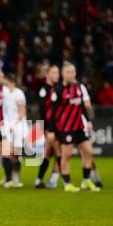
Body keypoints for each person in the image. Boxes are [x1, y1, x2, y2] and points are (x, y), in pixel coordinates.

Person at [50, 62, 100, 192]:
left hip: (79, 126)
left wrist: (88, 121)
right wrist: (50, 130)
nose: (71, 74)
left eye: (72, 72)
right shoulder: (58, 90)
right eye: (68, 72)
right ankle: (67, 183)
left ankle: (86, 181)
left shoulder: (78, 87)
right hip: (66, 128)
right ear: (63, 74)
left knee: (88, 151)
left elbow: (82, 106)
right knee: (66, 155)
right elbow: (53, 112)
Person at [34, 65, 62, 189]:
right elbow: (42, 111)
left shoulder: (58, 88)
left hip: (59, 124)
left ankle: (41, 179)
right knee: (59, 152)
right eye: (54, 72)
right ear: (48, 74)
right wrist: (47, 129)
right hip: (50, 127)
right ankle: (53, 180)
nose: (57, 75)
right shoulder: (44, 90)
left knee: (50, 152)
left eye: (58, 72)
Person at [1, 74, 27, 188]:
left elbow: (22, 111)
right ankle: (9, 177)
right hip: (7, 126)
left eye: (5, 82)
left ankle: (15, 177)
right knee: (7, 152)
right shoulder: (5, 93)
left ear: (11, 82)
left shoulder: (18, 93)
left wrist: (14, 123)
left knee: (16, 154)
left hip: (18, 126)